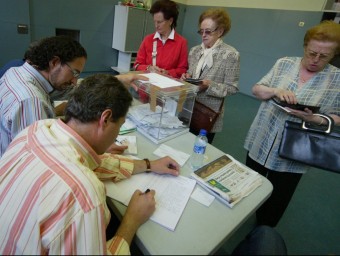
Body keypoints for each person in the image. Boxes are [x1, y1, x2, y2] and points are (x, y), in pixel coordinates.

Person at [0, 73, 180, 255]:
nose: (117, 133)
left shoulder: (36, 129)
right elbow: (79, 176)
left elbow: (89, 163)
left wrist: (148, 164)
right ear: (106, 118)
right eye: (120, 125)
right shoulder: (84, 196)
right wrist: (131, 221)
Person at [244, 20, 340, 227]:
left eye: (324, 56)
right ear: (305, 46)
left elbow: (337, 116)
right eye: (311, 52)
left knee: (277, 200)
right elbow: (257, 89)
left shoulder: (337, 79)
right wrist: (276, 91)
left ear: (334, 55)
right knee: (249, 187)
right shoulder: (284, 63)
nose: (315, 60)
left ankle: (263, 232)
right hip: (262, 138)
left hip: (294, 151)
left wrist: (315, 119)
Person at [0, 35, 146, 157]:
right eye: (74, 73)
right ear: (55, 62)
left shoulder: (17, 72)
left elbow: (73, 89)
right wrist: (94, 146)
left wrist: (119, 79)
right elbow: (44, 157)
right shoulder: (32, 101)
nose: (74, 81)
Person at [181, 8, 240, 143]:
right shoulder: (195, 50)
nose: (203, 35)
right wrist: (186, 76)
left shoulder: (230, 54)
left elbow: (232, 88)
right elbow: (192, 72)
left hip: (207, 114)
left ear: (220, 31)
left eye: (208, 31)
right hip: (187, 107)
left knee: (198, 149)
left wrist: (208, 85)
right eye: (201, 31)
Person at [133, 0, 188, 78]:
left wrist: (168, 72)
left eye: (159, 22)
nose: (156, 25)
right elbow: (137, 65)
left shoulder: (181, 42)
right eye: (154, 21)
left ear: (170, 21)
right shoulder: (148, 40)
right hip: (147, 85)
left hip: (168, 87)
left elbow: (182, 70)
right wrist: (148, 68)